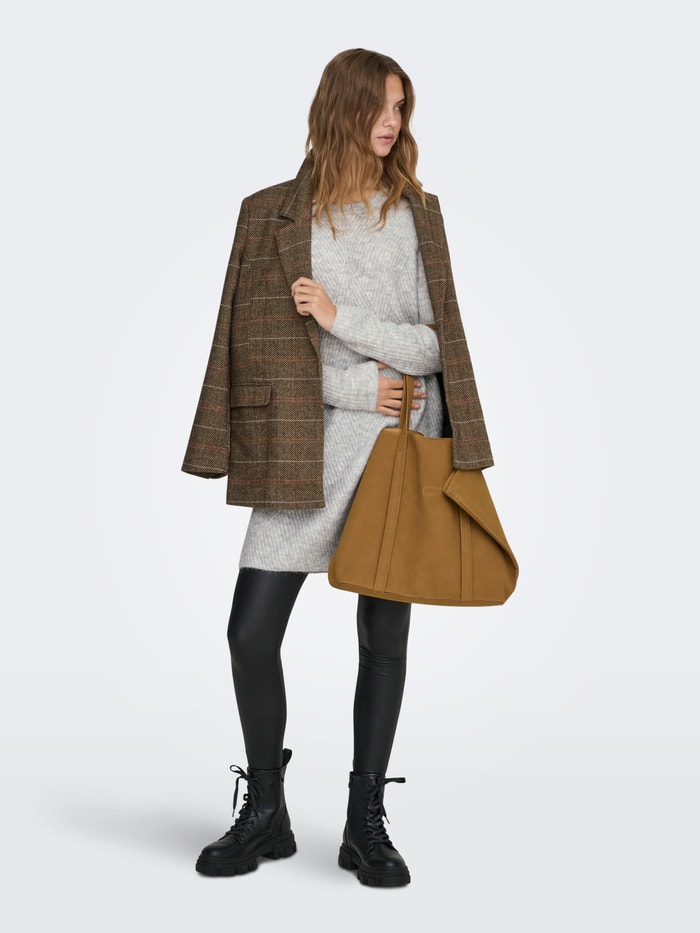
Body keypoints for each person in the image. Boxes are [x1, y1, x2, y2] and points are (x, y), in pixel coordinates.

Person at [181, 48, 494, 887]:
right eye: (379, 106)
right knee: (250, 633)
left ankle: (364, 822)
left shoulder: (416, 215)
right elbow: (258, 355)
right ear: (340, 108)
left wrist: (338, 313)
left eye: (401, 107)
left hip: (394, 451)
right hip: (304, 449)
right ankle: (267, 812)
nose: (393, 122)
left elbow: (434, 346)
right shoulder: (269, 215)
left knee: (383, 637)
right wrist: (359, 386)